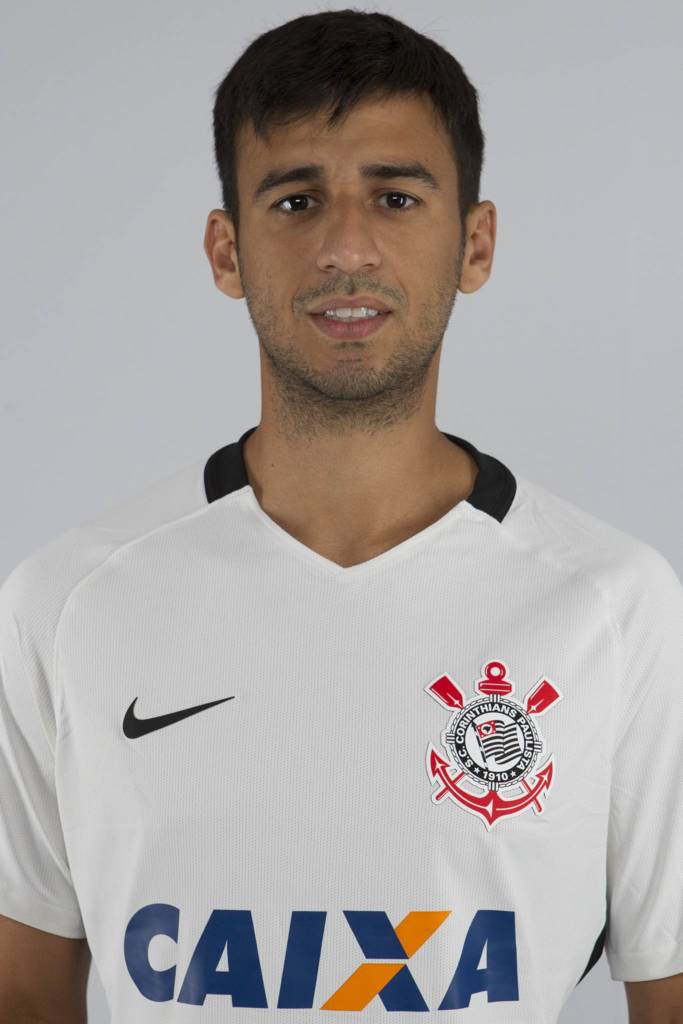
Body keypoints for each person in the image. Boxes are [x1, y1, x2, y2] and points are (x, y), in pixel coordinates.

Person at [0, 9, 681, 1023]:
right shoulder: (68, 603)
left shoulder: (614, 608)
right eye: (296, 200)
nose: (345, 247)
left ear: (474, 244)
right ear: (227, 251)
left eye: (395, 197)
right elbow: (24, 989)